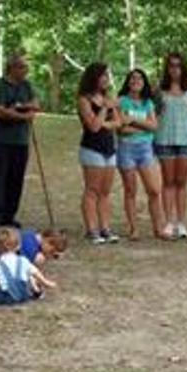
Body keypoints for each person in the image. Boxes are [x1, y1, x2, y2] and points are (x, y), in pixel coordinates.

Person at [117, 68, 171, 240]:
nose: (136, 80)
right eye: (132, 78)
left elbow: (154, 127)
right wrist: (144, 123)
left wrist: (132, 120)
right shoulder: (121, 101)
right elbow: (122, 129)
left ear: (144, 82)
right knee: (130, 190)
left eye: (140, 78)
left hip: (145, 149)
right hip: (126, 149)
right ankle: (134, 229)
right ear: (128, 81)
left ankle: (159, 228)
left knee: (154, 190)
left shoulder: (148, 103)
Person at [0, 53, 40, 227]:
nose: (26, 71)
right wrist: (23, 115)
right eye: (23, 67)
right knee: (0, 178)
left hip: (21, 141)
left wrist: (18, 107)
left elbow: (35, 104)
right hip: (2, 140)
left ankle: (10, 215)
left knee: (16, 179)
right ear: (13, 68)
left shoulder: (27, 86)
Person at [155, 52, 187, 239]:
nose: (175, 69)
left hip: (186, 139)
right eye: (171, 65)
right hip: (165, 139)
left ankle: (181, 222)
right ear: (167, 68)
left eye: (178, 66)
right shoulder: (159, 90)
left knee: (181, 181)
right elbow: (155, 112)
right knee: (168, 181)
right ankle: (168, 222)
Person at [76, 63, 120, 244]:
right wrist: (103, 109)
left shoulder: (107, 97)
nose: (106, 79)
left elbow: (118, 122)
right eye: (103, 75)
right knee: (92, 190)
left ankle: (105, 227)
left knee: (105, 191)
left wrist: (104, 122)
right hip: (92, 149)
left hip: (109, 148)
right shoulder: (84, 99)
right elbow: (93, 126)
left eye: (107, 76)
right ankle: (92, 229)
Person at [0, 226, 57, 305]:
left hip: (7, 297)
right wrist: (46, 282)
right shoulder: (23, 260)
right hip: (24, 296)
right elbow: (35, 272)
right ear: (18, 246)